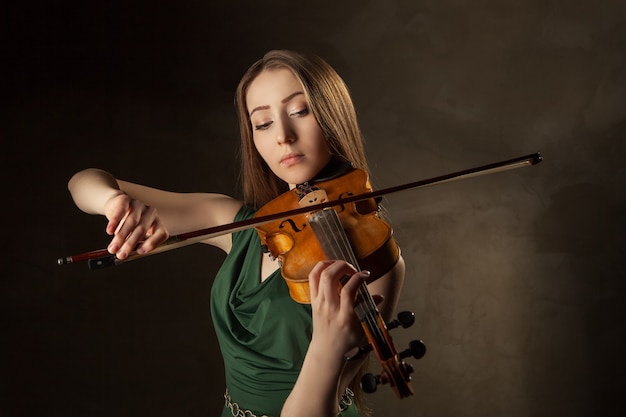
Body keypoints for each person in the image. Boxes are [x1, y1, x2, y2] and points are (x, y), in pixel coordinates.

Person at [67, 50, 406, 417]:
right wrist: (114, 202)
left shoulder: (374, 260)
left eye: (299, 112)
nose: (283, 137)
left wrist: (328, 347)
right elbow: (82, 182)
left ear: (331, 115)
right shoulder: (241, 224)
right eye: (262, 123)